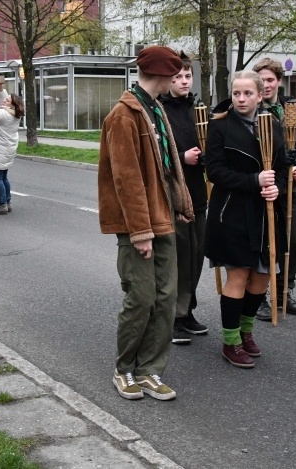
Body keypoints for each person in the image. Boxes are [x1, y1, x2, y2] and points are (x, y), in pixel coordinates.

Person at [98, 45, 194, 401]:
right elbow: (127, 179)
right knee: (141, 298)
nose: (178, 81)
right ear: (164, 75)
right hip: (139, 224)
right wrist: (140, 232)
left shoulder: (155, 109)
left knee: (166, 298)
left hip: (164, 217)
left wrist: (181, 204)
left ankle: (150, 370)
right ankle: (124, 370)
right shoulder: (125, 115)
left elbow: (168, 166)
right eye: (175, 75)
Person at [204, 70, 287, 369]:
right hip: (232, 212)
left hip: (266, 214)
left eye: (247, 93)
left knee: (262, 276)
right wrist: (254, 180)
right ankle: (230, 341)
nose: (241, 99)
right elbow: (214, 170)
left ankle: (246, 330)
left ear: (260, 94)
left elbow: (283, 165)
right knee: (238, 275)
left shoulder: (273, 125)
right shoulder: (220, 127)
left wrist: (277, 186)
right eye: (236, 93)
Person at [158, 52, 209, 345]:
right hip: (173, 195)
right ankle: (173, 317)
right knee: (177, 257)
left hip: (198, 194)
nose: (183, 81)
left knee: (196, 256)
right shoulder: (160, 111)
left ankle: (187, 310)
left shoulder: (197, 109)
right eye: (177, 77)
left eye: (187, 76)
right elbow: (156, 155)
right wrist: (181, 157)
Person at [252, 58, 296, 319]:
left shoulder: (289, 109)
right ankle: (260, 296)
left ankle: (285, 292)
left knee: (292, 242)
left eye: (270, 80)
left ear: (279, 81)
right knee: (265, 245)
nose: (266, 85)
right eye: (261, 80)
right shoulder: (252, 106)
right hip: (265, 187)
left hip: (288, 190)